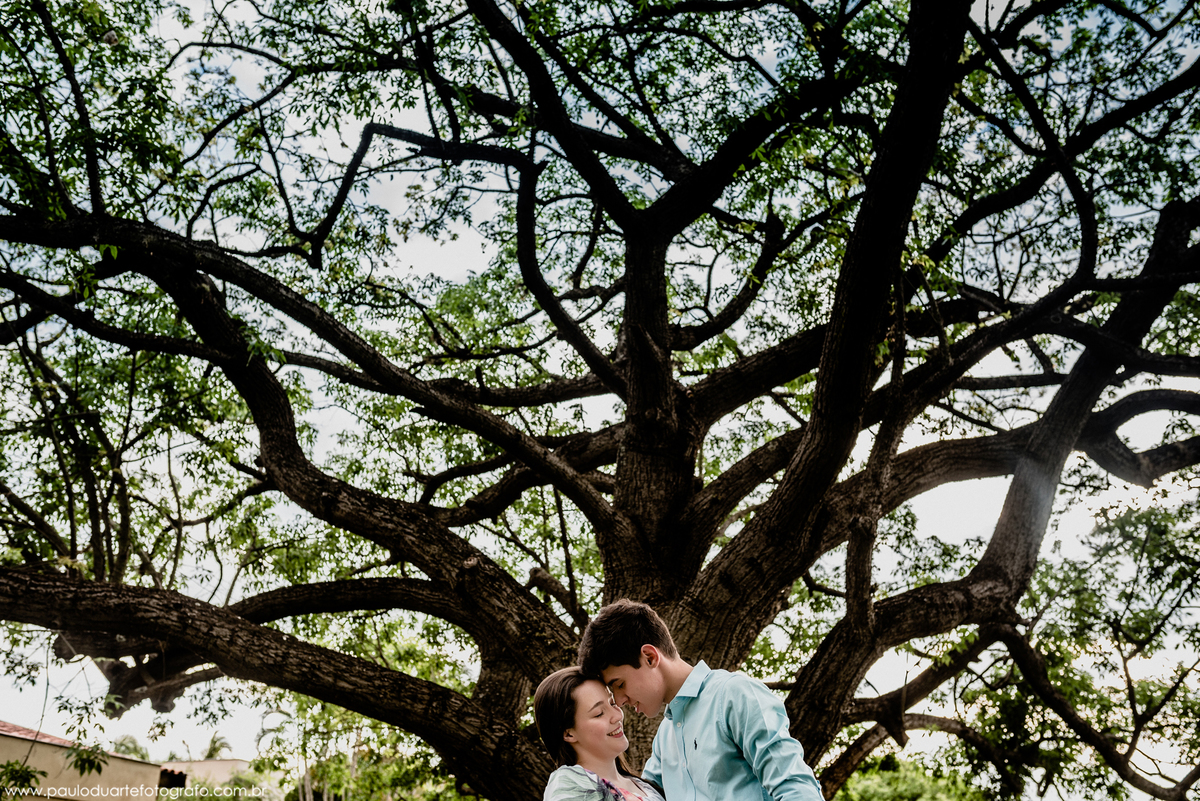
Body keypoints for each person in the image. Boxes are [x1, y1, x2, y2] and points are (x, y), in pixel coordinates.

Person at [578, 599, 823, 801]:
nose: (619, 702)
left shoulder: (733, 695)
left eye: (619, 685)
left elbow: (796, 789)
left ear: (650, 657)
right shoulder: (664, 739)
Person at [535, 666, 667, 801]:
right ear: (569, 734)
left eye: (612, 703)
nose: (617, 715)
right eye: (599, 714)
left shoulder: (644, 785)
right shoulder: (570, 786)